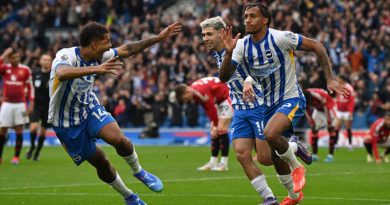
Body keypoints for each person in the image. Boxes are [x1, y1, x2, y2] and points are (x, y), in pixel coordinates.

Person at [218, 3, 349, 204]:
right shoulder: (242, 45)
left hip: (291, 98)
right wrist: (228, 53)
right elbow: (224, 77)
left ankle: (297, 166)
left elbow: (317, 46)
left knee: (271, 134)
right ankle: (295, 194)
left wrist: (329, 79)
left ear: (265, 20)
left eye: (253, 16)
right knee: (273, 157)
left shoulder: (279, 38)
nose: (248, 20)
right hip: (267, 105)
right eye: (246, 16)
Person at [48, 21, 181, 205]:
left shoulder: (99, 55)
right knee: (101, 162)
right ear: (94, 44)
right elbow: (62, 73)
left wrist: (159, 38)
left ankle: (139, 171)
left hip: (88, 107)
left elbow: (127, 49)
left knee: (120, 139)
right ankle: (129, 196)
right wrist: (97, 69)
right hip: (65, 123)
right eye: (106, 41)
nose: (110, 45)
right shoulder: (65, 55)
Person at [200, 16, 311, 205]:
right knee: (242, 154)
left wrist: (248, 81)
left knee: (266, 158)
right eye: (203, 35)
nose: (205, 38)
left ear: (222, 33)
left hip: (259, 104)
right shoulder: (220, 54)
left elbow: (262, 65)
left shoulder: (241, 45)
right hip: (241, 109)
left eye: (209, 34)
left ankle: (293, 145)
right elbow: (226, 77)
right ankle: (269, 197)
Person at [175, 76, 232, 171]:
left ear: (186, 92)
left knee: (221, 129)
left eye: (184, 98)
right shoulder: (194, 91)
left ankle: (223, 163)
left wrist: (215, 124)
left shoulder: (199, 92)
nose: (186, 101)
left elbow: (211, 107)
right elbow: (207, 108)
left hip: (226, 97)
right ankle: (213, 162)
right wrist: (213, 124)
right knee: (214, 131)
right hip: (219, 101)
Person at [0, 48, 34, 165]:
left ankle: (16, 157)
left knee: (19, 129)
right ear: (10, 58)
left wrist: (31, 103)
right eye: (14, 57)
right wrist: (4, 54)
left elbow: (30, 87)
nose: (16, 59)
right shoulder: (5, 68)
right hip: (7, 104)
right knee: (3, 129)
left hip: (21, 104)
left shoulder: (25, 69)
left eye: (18, 57)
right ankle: (0, 157)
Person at [26, 54, 52, 161]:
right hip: (36, 105)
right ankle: (32, 146)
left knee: (42, 132)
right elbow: (29, 88)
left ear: (51, 62)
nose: (46, 61)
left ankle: (37, 152)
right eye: (44, 59)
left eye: (48, 60)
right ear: (40, 61)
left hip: (48, 106)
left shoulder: (54, 75)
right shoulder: (34, 74)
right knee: (33, 127)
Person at [304, 88, 338, 162]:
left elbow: (326, 107)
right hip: (319, 110)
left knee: (331, 129)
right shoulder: (303, 97)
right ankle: (315, 155)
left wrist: (329, 122)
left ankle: (330, 156)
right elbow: (305, 109)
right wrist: (311, 122)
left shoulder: (317, 96)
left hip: (329, 108)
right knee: (314, 130)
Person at [334, 75, 355, 150]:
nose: (337, 79)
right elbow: (337, 97)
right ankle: (336, 144)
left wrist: (350, 111)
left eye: (338, 78)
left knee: (348, 128)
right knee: (336, 127)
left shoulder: (349, 87)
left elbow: (352, 100)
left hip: (347, 111)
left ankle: (350, 144)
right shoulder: (338, 86)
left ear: (342, 79)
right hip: (340, 110)